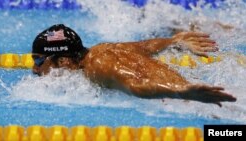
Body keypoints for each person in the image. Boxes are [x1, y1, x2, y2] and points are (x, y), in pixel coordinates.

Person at [32, 24, 236, 106]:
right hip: (193, 93)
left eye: (39, 60)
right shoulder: (103, 49)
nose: (35, 69)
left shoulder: (97, 67)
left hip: (193, 102)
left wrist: (183, 92)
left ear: (64, 60)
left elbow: (136, 85)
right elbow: (146, 45)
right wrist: (175, 41)